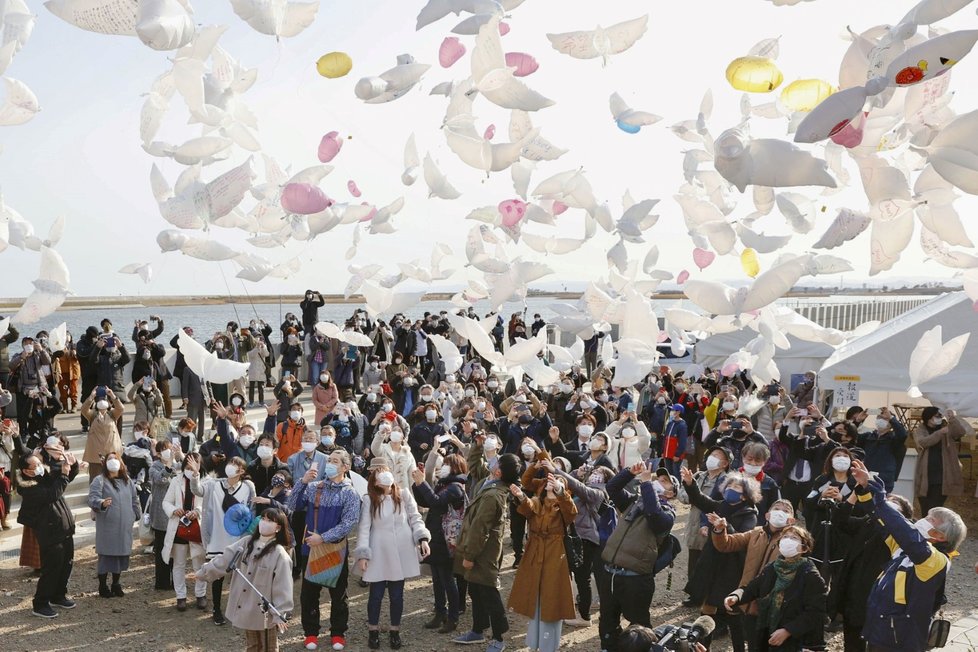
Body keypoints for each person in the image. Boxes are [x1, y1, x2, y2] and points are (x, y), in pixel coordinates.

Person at [851, 458, 967, 652]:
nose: (922, 520)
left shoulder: (936, 561)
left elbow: (906, 533)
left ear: (940, 536)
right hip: (879, 632)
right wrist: (866, 489)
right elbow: (881, 521)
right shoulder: (903, 548)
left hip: (899, 641)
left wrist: (881, 499)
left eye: (931, 520)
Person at [288, 448, 362, 652]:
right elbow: (292, 504)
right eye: (329, 459)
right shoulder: (314, 487)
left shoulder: (350, 493)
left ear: (345, 467)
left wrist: (323, 537)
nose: (329, 463)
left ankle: (338, 632)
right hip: (310, 548)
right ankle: (311, 632)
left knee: (338, 593)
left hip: (335, 549)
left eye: (335, 461)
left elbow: (349, 523)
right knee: (309, 593)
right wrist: (302, 481)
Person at [597, 463, 677, 652]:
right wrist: (628, 473)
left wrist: (647, 484)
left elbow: (653, 513)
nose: (658, 481)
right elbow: (611, 488)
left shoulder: (668, 514)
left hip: (635, 579)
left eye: (665, 482)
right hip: (610, 573)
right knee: (607, 621)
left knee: (639, 627)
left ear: (671, 494)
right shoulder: (634, 503)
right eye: (657, 479)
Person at [452, 441, 522, 651]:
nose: (493, 463)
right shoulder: (490, 483)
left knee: (489, 592)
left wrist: (470, 556)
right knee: (475, 590)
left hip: (484, 553)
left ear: (499, 472)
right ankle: (478, 630)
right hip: (479, 551)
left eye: (497, 462)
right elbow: (475, 463)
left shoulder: (494, 495)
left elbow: (480, 529)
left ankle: (500, 637)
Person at [680, 467, 759, 652]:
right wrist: (690, 484)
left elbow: (741, 539)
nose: (731, 488)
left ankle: (739, 648)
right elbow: (701, 500)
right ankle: (701, 647)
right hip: (711, 565)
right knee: (706, 611)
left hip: (731, 569)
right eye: (729, 484)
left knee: (732, 614)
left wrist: (724, 527)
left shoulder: (749, 514)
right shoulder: (721, 505)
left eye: (737, 487)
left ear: (745, 495)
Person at [194, 508, 295, 652]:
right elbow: (225, 559)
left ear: (278, 528)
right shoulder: (247, 542)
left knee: (269, 647)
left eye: (269, 521)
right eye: (263, 518)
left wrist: (280, 613)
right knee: (252, 645)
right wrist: (203, 572)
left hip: (265, 612)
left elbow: (283, 585)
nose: (264, 523)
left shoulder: (279, 554)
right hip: (247, 606)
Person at [354, 465, 431, 650]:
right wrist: (363, 553)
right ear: (375, 480)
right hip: (379, 549)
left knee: (397, 595)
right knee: (376, 595)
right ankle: (373, 630)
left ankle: (394, 630)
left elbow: (415, 517)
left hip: (402, 549)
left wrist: (422, 538)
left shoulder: (403, 494)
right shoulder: (369, 499)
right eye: (379, 474)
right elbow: (364, 528)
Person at [830, 492, 914, 652]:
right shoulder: (868, 522)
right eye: (887, 502)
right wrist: (854, 495)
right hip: (853, 594)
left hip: (878, 599)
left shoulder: (903, 534)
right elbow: (840, 521)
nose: (889, 504)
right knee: (853, 643)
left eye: (895, 503)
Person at [711, 499, 799, 651]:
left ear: (791, 519)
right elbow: (727, 544)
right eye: (777, 508)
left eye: (785, 511)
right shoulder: (756, 533)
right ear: (767, 515)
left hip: (772, 606)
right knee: (752, 644)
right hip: (748, 600)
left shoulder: (791, 541)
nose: (780, 512)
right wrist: (720, 530)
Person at [723, 525, 827, 652]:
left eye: (794, 538)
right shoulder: (772, 568)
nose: (788, 540)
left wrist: (788, 630)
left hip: (797, 641)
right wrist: (736, 596)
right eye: (785, 537)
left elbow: (816, 613)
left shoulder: (810, 575)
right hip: (768, 633)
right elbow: (752, 588)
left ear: (804, 548)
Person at [507, 469, 578, 652]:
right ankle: (534, 643)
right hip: (535, 552)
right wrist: (520, 495)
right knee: (535, 599)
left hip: (555, 555)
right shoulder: (538, 502)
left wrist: (561, 491)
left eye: (556, 482)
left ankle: (548, 646)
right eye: (549, 481)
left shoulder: (563, 506)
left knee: (551, 601)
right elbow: (528, 507)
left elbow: (571, 511)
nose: (550, 483)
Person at [188, 454, 256, 626]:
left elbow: (252, 511)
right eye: (230, 462)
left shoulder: (248, 488)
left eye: (235, 464)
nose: (231, 466)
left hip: (238, 539)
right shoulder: (213, 484)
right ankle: (217, 609)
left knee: (238, 576)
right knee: (217, 574)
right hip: (216, 538)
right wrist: (196, 474)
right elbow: (197, 491)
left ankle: (238, 610)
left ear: (242, 470)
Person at [18, 450, 79, 618]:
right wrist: (64, 476)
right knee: (52, 568)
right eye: (35, 465)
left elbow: (65, 478)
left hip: (64, 529)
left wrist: (71, 466)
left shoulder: (44, 477)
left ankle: (58, 595)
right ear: (26, 471)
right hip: (49, 532)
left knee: (66, 564)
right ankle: (40, 603)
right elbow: (53, 494)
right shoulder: (28, 488)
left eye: (39, 462)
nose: (39, 466)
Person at [412, 454, 468, 634]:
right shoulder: (443, 484)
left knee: (447, 579)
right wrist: (418, 482)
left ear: (456, 467)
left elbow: (436, 502)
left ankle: (453, 617)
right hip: (435, 537)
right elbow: (425, 502)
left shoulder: (456, 488)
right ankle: (439, 613)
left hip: (447, 540)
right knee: (436, 578)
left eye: (446, 464)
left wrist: (423, 483)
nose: (442, 467)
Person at [679, 445, 731, 603]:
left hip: (710, 525)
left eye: (717, 456)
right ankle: (694, 595)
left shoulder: (726, 482)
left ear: (725, 464)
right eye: (711, 454)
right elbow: (683, 497)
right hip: (694, 523)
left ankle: (707, 596)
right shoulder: (698, 475)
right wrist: (691, 492)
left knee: (707, 562)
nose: (712, 457)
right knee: (693, 560)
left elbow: (718, 505)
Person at [87, 451, 141, 598]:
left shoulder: (127, 481)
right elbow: (92, 498)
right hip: (108, 526)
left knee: (121, 555)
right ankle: (103, 585)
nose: (113, 461)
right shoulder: (100, 480)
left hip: (125, 525)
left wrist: (135, 514)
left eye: (115, 458)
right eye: (109, 459)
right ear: (105, 463)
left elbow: (134, 499)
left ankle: (116, 583)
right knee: (106, 556)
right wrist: (101, 503)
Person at [162, 451, 208, 611]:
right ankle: (180, 596)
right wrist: (174, 510)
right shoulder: (176, 480)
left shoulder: (206, 481)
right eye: (187, 466)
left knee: (199, 563)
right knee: (179, 563)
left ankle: (200, 594)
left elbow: (208, 503)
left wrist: (198, 511)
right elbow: (166, 501)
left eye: (194, 465)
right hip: (180, 527)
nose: (190, 469)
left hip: (197, 527)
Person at [913, 407, 965, 514]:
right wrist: (940, 433)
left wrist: (952, 418)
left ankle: (934, 528)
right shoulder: (920, 430)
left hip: (942, 475)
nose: (939, 418)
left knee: (935, 507)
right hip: (925, 475)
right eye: (937, 416)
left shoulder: (946, 427)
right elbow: (923, 442)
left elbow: (960, 433)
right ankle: (925, 529)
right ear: (928, 417)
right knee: (925, 507)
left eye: (940, 416)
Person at [149, 440, 179, 590]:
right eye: (165, 450)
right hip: (161, 515)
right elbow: (160, 480)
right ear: (159, 453)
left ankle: (175, 580)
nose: (168, 452)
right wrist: (168, 466)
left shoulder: (176, 465)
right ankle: (161, 582)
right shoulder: (154, 467)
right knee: (161, 549)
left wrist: (179, 456)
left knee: (175, 551)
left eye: (169, 449)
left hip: (175, 513)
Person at [858, 407, 908, 493]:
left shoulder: (893, 439)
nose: (881, 420)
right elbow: (852, 436)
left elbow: (902, 435)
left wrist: (891, 418)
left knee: (880, 501)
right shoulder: (868, 436)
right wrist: (858, 421)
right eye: (879, 418)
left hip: (885, 477)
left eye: (884, 419)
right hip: (866, 474)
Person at [80, 387, 124, 481]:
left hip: (111, 452)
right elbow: (83, 409)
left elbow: (120, 408)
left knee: (113, 478)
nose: (102, 401)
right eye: (99, 399)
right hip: (96, 454)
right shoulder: (92, 414)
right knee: (96, 479)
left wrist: (112, 395)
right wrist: (91, 397)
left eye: (103, 399)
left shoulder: (112, 414)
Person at [661, 404, 688, 477]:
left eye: (673, 410)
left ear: (678, 412)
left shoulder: (682, 425)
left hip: (675, 455)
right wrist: (663, 451)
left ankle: (677, 486)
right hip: (667, 453)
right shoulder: (670, 423)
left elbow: (683, 442)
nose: (671, 412)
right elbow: (665, 438)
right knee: (668, 472)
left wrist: (677, 454)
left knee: (676, 472)